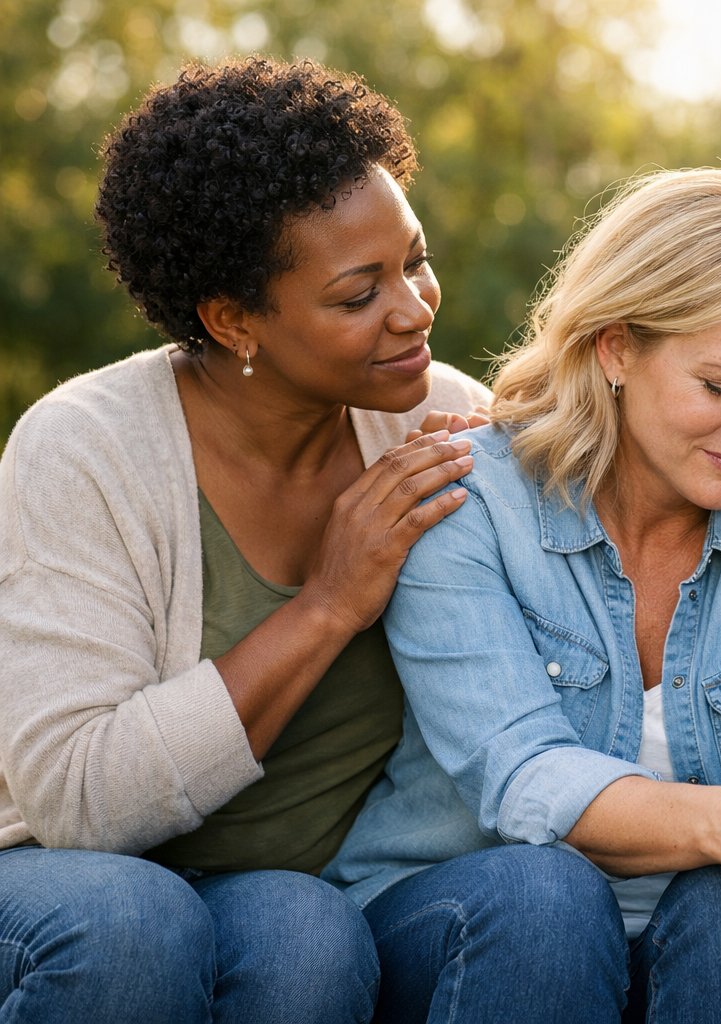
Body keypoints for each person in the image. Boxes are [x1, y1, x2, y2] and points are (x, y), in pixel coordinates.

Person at [324, 167, 721, 1023]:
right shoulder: (468, 502)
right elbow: (521, 775)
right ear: (616, 348)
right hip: (472, 923)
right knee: (546, 896)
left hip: (713, 942)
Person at [0, 58, 489, 1022]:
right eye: (358, 295)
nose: (415, 308)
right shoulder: (83, 449)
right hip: (68, 879)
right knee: (133, 926)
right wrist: (329, 605)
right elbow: (77, 802)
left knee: (304, 937)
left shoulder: (450, 423)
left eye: (415, 260)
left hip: (304, 885)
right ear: (232, 321)